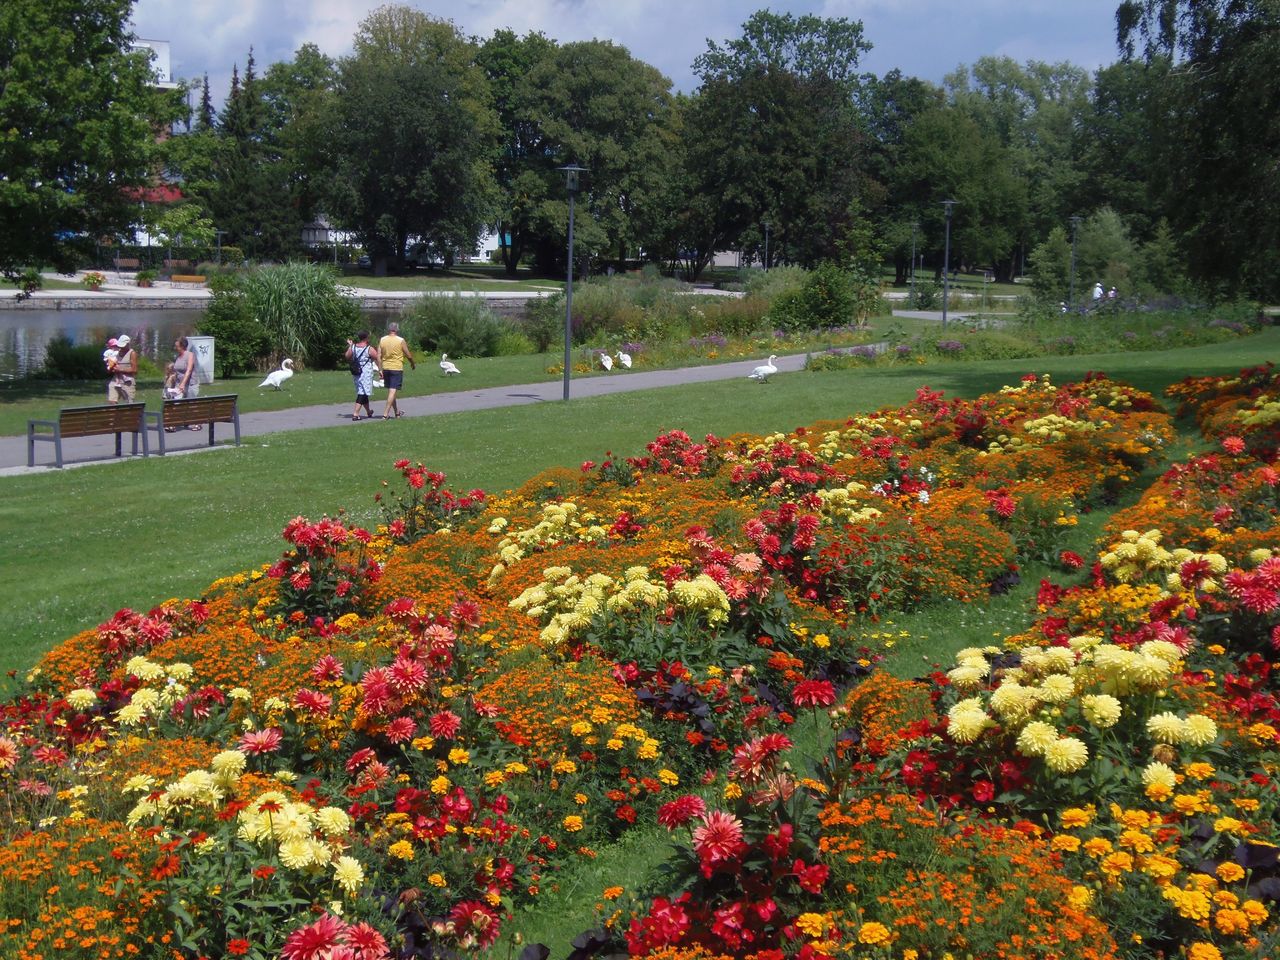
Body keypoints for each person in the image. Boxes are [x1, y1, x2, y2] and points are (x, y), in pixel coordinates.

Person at [377, 321, 416, 420]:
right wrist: (412, 363)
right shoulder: (400, 340)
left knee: (392, 391)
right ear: (397, 329)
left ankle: (397, 413)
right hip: (396, 368)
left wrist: (380, 369)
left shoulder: (382, 340)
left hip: (386, 367)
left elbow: (378, 355)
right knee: (392, 391)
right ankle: (385, 414)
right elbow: (408, 354)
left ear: (389, 329)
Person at [345, 331, 379, 421]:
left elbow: (347, 356)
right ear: (366, 338)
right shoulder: (369, 348)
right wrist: (380, 369)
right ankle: (355, 414)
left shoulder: (353, 347)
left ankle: (368, 411)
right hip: (366, 373)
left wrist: (350, 346)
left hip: (357, 372)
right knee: (362, 392)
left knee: (363, 391)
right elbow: (377, 357)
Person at [107, 334, 137, 403]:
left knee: (129, 402)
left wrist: (120, 370)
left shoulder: (132, 353)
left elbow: (134, 370)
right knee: (112, 400)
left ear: (128, 344)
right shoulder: (117, 353)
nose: (121, 347)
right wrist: (111, 368)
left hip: (127, 381)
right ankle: (114, 412)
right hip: (116, 380)